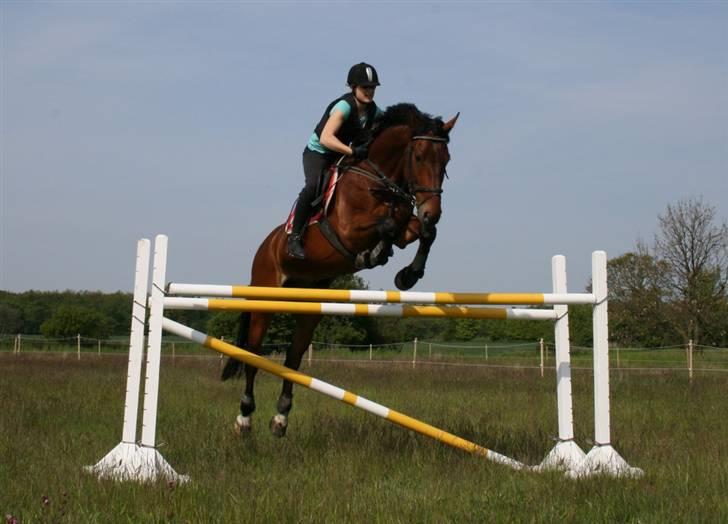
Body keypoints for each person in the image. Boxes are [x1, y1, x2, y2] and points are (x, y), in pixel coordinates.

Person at [287, 62, 383, 259]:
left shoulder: (374, 112)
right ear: (353, 87)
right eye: (365, 87)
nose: (369, 91)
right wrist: (351, 151)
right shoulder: (343, 107)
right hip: (319, 153)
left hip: (342, 154)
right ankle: (295, 237)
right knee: (313, 186)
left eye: (372, 88)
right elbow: (326, 138)